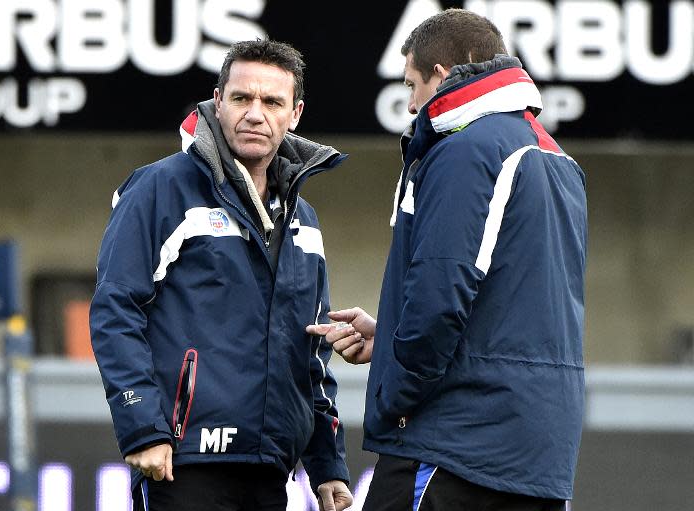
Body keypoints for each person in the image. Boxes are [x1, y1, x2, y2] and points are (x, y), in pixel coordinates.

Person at [308, 8, 587, 511]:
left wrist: (395, 395)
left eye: (412, 83)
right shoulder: (557, 158)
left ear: (440, 75)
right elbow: (512, 301)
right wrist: (390, 336)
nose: (411, 103)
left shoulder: (465, 149)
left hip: (453, 443)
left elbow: (441, 293)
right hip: (539, 453)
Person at [90, 38, 353, 511]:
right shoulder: (160, 188)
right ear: (218, 102)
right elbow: (115, 310)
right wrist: (143, 427)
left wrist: (327, 463)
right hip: (181, 462)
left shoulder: (303, 221)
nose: (255, 113)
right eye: (241, 98)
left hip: (270, 468)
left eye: (271, 102)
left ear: (294, 114)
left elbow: (310, 350)